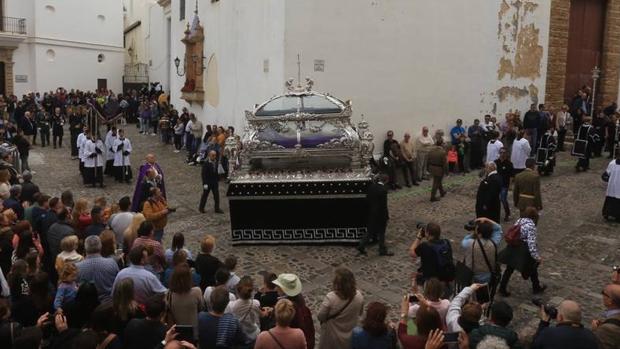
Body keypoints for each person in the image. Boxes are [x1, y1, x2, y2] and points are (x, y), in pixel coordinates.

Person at [498, 207, 546, 297]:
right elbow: (531, 244)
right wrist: (537, 257)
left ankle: (502, 287)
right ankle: (536, 287)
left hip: (513, 246)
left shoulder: (520, 220)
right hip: (523, 249)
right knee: (532, 267)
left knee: (509, 268)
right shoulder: (531, 226)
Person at [317, 267, 364, 349]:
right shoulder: (359, 296)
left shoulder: (330, 298)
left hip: (331, 336)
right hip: (349, 335)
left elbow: (320, 316)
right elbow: (360, 313)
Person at [531, 299, 599, 349]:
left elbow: (535, 345)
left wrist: (543, 323)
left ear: (560, 317)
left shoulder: (549, 333)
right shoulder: (591, 337)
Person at [273, 273, 315, 349]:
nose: (275, 289)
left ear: (283, 289)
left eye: (278, 286)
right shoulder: (301, 302)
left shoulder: (288, 308)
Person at [357, 174, 393, 256]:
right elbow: (384, 205)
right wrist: (386, 216)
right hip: (380, 215)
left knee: (370, 232)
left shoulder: (371, 187)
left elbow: (367, 199)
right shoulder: (383, 190)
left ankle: (361, 245)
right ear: (386, 180)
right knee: (381, 233)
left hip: (372, 213)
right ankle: (382, 250)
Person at [461, 217, 502, 289]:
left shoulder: (469, 243)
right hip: (487, 275)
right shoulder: (494, 242)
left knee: (470, 293)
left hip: (471, 275)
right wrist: (487, 219)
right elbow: (498, 229)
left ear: (479, 234)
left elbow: (464, 240)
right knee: (484, 294)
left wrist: (473, 234)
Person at [76, 236, 119, 302]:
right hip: (108, 304)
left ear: (85, 248)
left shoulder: (77, 267)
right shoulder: (112, 263)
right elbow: (117, 284)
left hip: (86, 305)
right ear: (101, 246)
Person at [165, 263, 204, 332]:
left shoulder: (168, 293)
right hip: (194, 330)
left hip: (177, 331)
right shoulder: (197, 291)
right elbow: (201, 308)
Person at [228, 276, 264, 346]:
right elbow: (262, 315)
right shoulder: (255, 303)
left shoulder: (232, 305)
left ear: (238, 291)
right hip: (253, 334)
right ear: (251, 291)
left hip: (240, 334)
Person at [592, 284, 620, 349]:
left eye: (603, 293)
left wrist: (596, 331)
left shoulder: (606, 329)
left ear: (610, 301)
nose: (602, 295)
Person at [495, 148, 514, 221]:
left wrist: (510, 185)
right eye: (501, 152)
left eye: (504, 152)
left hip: (504, 185)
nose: (502, 154)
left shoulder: (509, 164)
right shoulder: (496, 162)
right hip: (496, 185)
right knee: (496, 200)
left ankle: (507, 213)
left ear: (506, 154)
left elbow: (511, 176)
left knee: (503, 199)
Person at [427, 137, 447, 202]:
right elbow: (444, 163)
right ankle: (432, 197)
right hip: (439, 168)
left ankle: (442, 192)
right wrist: (446, 171)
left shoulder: (431, 150)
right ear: (441, 144)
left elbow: (428, 160)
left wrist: (428, 168)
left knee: (438, 181)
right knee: (436, 182)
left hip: (431, 167)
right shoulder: (443, 152)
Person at [603, 149, 620, 222]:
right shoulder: (612, 163)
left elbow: (605, 175)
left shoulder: (612, 163)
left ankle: (607, 213)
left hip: (611, 187)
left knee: (610, 199)